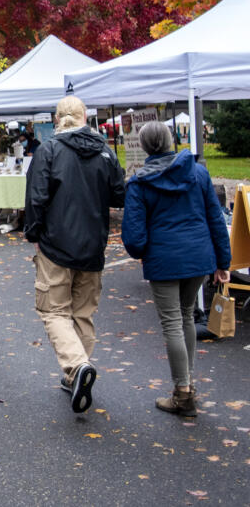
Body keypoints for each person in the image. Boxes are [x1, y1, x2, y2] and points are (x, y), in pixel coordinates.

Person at [121, 122, 231, 417]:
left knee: (172, 322)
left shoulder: (139, 182)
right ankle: (187, 385)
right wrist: (224, 263)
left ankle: (183, 392)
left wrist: (142, 253)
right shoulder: (198, 173)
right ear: (171, 141)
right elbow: (216, 219)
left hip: (164, 260)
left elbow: (133, 235)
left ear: (144, 147)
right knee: (184, 317)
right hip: (198, 257)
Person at [24, 96, 125, 414]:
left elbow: (37, 196)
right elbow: (119, 195)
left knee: (54, 312)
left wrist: (33, 234)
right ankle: (75, 375)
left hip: (56, 244)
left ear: (57, 119)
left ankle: (77, 365)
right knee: (82, 314)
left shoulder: (49, 150)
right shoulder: (104, 151)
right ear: (84, 117)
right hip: (93, 245)